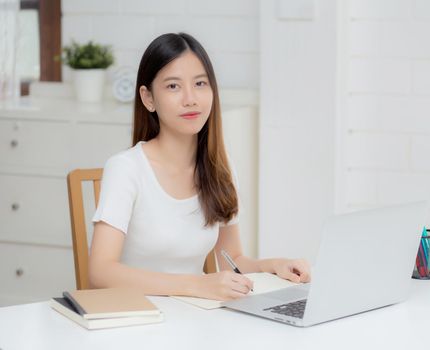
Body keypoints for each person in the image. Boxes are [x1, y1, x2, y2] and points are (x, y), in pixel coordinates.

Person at [89, 33, 311, 301]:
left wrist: (274, 266)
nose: (190, 98)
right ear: (148, 98)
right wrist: (197, 285)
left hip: (196, 318)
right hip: (139, 320)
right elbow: (101, 272)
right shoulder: (125, 169)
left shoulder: (219, 168)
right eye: (173, 86)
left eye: (200, 83)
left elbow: (232, 260)